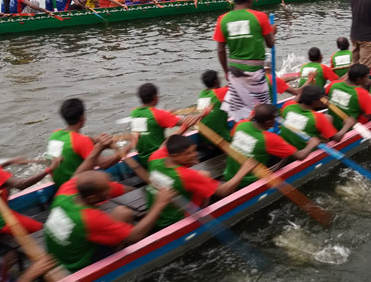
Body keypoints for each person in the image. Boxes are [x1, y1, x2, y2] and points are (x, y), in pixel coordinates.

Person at [44, 170, 172, 272]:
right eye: (107, 189)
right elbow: (135, 236)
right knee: (125, 216)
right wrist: (159, 204)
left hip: (59, 256)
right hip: (77, 265)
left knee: (122, 212)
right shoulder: (89, 218)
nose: (111, 190)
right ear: (92, 198)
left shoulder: (63, 193)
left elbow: (77, 175)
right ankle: (118, 254)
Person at [143, 134, 255, 228]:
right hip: (175, 218)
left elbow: (164, 145)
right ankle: (204, 209)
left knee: (202, 175)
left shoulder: (154, 158)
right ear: (174, 156)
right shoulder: (186, 176)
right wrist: (244, 169)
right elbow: (223, 190)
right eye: (188, 153)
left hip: (156, 210)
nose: (195, 154)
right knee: (205, 175)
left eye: (194, 150)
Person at [214, 0, 275, 121]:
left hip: (235, 71)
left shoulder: (222, 19)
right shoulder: (260, 17)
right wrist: (273, 32)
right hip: (255, 72)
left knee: (239, 111)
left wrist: (226, 71)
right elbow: (270, 44)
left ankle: (242, 127)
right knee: (262, 113)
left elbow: (220, 50)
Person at [225, 104, 319, 189]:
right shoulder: (269, 139)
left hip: (228, 173)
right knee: (285, 156)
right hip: (247, 180)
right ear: (268, 122)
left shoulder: (241, 124)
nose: (276, 120)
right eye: (274, 118)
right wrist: (312, 143)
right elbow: (300, 156)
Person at [47, 98, 125, 187]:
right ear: (82, 117)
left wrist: (95, 140)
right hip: (78, 188)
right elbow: (104, 164)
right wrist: (127, 148)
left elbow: (76, 143)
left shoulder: (54, 135)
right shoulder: (82, 140)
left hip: (60, 187)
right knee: (128, 189)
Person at [130, 83, 201, 167]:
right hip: (159, 158)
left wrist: (167, 114)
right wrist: (200, 115)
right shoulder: (159, 115)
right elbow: (186, 122)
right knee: (193, 159)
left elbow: (150, 120)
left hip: (144, 160)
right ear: (155, 97)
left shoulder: (134, 112)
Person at [280, 85, 353, 149]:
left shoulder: (288, 105)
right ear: (315, 102)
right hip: (306, 150)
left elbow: (300, 95)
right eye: (322, 98)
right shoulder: (318, 118)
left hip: (288, 145)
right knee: (328, 119)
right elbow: (337, 138)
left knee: (328, 117)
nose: (325, 99)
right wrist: (348, 124)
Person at [326, 64, 371, 129]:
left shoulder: (334, 84)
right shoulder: (362, 93)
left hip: (333, 125)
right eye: (366, 77)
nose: (368, 79)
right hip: (349, 127)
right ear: (358, 79)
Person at [198, 70, 231, 154]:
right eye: (219, 78)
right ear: (216, 81)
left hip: (204, 136)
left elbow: (223, 90)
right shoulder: (221, 92)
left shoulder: (202, 94)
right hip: (219, 137)